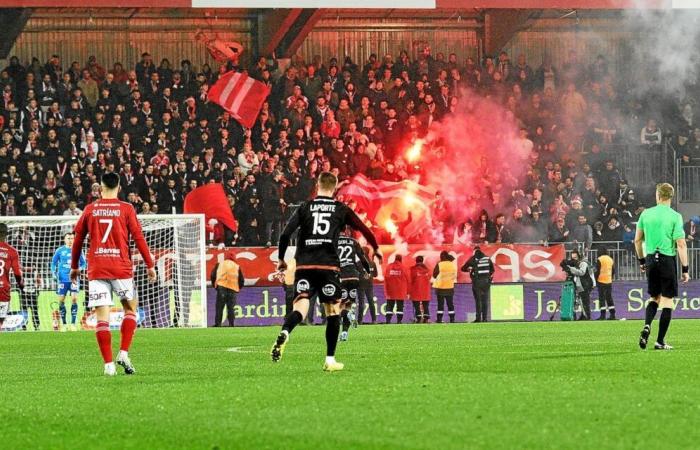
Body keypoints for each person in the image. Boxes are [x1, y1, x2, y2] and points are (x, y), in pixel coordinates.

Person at [271, 172, 380, 372]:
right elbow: (365, 229)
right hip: (328, 267)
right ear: (335, 188)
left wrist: (281, 260)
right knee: (332, 312)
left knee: (300, 308)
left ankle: (286, 332)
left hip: (304, 266)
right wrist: (377, 248)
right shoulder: (340, 209)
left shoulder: (305, 207)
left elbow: (286, 234)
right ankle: (330, 360)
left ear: (317, 185)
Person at [70, 173, 156, 376]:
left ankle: (108, 365)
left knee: (102, 318)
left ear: (100, 188)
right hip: (121, 268)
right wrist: (150, 264)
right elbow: (139, 238)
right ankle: (124, 353)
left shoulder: (90, 209)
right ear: (119, 187)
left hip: (97, 268)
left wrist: (74, 266)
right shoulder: (126, 208)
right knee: (130, 309)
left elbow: (77, 240)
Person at [636, 183, 689, 350]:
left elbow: (637, 240)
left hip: (651, 259)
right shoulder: (675, 216)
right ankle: (659, 341)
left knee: (654, 298)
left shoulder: (646, 214)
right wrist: (685, 269)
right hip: (667, 259)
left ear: (657, 196)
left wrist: (642, 261)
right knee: (667, 301)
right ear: (671, 197)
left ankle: (647, 325)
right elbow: (680, 244)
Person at [337, 229, 371, 340]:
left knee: (341, 306)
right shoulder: (353, 241)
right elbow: (362, 258)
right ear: (346, 231)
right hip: (354, 277)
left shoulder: (332, 242)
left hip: (341, 277)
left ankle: (347, 317)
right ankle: (345, 334)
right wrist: (368, 271)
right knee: (349, 304)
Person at [51, 232, 87, 331]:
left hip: (74, 279)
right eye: (68, 238)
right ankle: (64, 324)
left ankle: (73, 324)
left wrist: (78, 270)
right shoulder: (60, 250)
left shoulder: (78, 250)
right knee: (61, 301)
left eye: (72, 238)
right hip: (62, 279)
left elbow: (84, 263)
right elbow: (53, 263)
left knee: (74, 299)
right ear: (64, 239)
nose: (70, 240)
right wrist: (53, 273)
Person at [210, 250, 244, 327]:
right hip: (232, 289)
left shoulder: (219, 264)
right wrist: (237, 288)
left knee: (219, 307)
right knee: (231, 308)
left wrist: (216, 286)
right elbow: (241, 280)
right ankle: (231, 324)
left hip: (221, 288)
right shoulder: (237, 266)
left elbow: (213, 275)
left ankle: (218, 324)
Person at [462, 246, 494, 323]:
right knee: (485, 300)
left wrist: (469, 269)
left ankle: (478, 318)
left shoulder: (473, 259)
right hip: (486, 282)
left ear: (474, 251)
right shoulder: (487, 258)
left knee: (478, 301)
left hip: (477, 282)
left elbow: (463, 268)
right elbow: (492, 270)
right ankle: (485, 318)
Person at [0, 223, 22, 330]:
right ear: (6, 234)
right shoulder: (12, 251)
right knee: (1, 322)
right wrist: (21, 285)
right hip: (3, 289)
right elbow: (17, 273)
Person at [563, 249, 595, 320]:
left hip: (586, 284)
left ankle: (587, 316)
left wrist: (571, 269)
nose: (573, 259)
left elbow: (581, 272)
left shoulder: (583, 263)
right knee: (582, 301)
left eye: (575, 258)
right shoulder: (577, 263)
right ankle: (583, 315)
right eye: (572, 258)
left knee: (585, 301)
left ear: (579, 256)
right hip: (582, 284)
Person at [384, 254, 410, 324]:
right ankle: (399, 321)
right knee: (400, 306)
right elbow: (408, 280)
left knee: (389, 305)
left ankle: (388, 321)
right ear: (401, 259)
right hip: (401, 290)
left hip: (390, 289)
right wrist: (408, 292)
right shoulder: (404, 267)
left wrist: (386, 290)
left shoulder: (389, 266)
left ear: (395, 259)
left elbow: (386, 278)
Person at [433, 251, 457, 323]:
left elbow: (434, 275)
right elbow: (454, 275)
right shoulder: (452, 264)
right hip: (450, 287)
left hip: (440, 288)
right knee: (450, 304)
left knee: (440, 305)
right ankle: (452, 319)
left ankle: (439, 319)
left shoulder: (439, 264)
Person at [357, 246, 378, 325]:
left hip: (360, 285)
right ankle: (374, 320)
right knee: (371, 302)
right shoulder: (372, 263)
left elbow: (356, 274)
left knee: (361, 303)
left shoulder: (359, 263)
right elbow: (375, 275)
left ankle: (360, 321)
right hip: (369, 285)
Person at [409, 256, 432, 323]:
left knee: (416, 305)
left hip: (416, 289)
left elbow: (411, 279)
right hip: (425, 290)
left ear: (416, 261)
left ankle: (418, 318)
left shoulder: (413, 269)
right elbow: (430, 277)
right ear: (422, 261)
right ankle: (426, 318)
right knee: (425, 305)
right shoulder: (427, 270)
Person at [595, 248, 616, 320]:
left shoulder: (600, 259)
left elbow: (597, 270)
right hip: (609, 281)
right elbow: (613, 270)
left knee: (602, 298)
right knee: (609, 298)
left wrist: (595, 279)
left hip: (601, 281)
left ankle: (602, 315)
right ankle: (612, 314)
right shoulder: (610, 259)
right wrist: (610, 278)